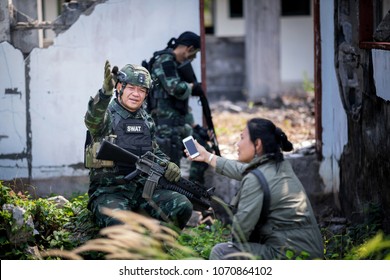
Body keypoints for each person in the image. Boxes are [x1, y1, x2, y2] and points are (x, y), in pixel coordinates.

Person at [185, 118, 324, 259]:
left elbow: (240, 232)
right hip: (311, 251)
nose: (237, 144)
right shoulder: (280, 166)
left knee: (221, 252)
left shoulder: (255, 179)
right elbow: (242, 170)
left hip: (290, 256)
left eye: (242, 138)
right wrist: (207, 156)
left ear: (257, 144)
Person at [84, 60, 193, 230]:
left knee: (182, 205)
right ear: (119, 87)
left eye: (142, 90)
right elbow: (92, 119)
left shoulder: (146, 119)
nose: (136, 94)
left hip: (142, 191)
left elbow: (154, 151)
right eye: (131, 88)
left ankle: (161, 250)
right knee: (121, 227)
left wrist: (167, 164)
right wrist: (105, 93)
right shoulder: (107, 115)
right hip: (110, 192)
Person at [147, 31, 209, 185]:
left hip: (182, 129)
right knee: (171, 167)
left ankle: (194, 191)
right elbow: (175, 88)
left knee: (199, 154)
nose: (193, 57)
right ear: (189, 48)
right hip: (166, 130)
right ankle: (175, 199)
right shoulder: (165, 61)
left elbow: (180, 103)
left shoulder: (177, 65)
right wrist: (193, 86)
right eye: (195, 53)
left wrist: (194, 125)